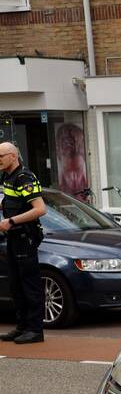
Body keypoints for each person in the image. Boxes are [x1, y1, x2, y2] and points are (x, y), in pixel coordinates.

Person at [0, 143, 47, 344]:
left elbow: (40, 209)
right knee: (16, 284)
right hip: (12, 238)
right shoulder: (6, 176)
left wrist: (10, 221)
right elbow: (7, 200)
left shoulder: (24, 177)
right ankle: (22, 327)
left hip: (25, 237)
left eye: (0, 156)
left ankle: (35, 330)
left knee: (30, 285)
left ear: (12, 156)